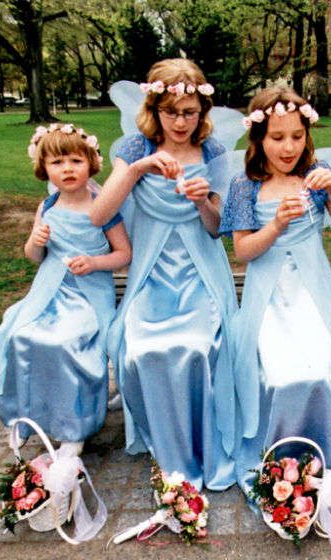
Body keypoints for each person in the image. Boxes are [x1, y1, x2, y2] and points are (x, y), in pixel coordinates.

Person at [89, 58, 238, 490]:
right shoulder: (136, 149)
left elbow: (216, 231)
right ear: (153, 110)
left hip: (200, 275)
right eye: (170, 112)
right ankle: (164, 438)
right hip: (152, 275)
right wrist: (136, 171)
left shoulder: (212, 153)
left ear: (202, 113)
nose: (179, 121)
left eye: (189, 112)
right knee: (141, 348)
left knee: (197, 346)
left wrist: (202, 201)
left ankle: (199, 438)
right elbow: (99, 213)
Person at [221, 87, 331, 503]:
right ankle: (278, 460)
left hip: (312, 293)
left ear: (308, 135)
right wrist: (275, 226)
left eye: (297, 136)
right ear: (258, 139)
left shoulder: (317, 175)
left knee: (317, 369)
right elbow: (244, 251)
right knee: (281, 375)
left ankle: (322, 455)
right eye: (277, 137)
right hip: (268, 298)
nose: (288, 146)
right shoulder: (244, 186)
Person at [0, 124, 131, 454]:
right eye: (57, 163)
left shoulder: (102, 208)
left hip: (87, 295)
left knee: (67, 342)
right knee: (16, 333)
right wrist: (34, 241)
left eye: (74, 160)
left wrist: (95, 262)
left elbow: (124, 254)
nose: (67, 169)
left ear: (91, 163)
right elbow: (34, 257)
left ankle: (74, 427)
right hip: (49, 292)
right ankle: (27, 417)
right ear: (44, 169)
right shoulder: (48, 206)